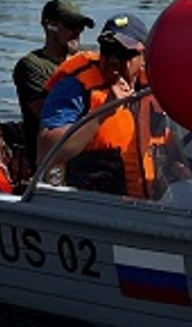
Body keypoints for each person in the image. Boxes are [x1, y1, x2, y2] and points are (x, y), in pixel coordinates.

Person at [36, 13, 170, 197]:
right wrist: (103, 112)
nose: (113, 59)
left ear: (143, 56)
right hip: (93, 208)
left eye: (123, 53)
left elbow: (172, 146)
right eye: (107, 49)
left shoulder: (155, 89)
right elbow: (45, 153)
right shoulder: (75, 86)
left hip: (150, 208)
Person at [13, 0, 94, 167]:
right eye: (71, 25)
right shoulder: (31, 66)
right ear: (50, 25)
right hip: (51, 159)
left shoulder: (87, 63)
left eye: (81, 26)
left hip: (87, 153)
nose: (78, 31)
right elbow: (53, 116)